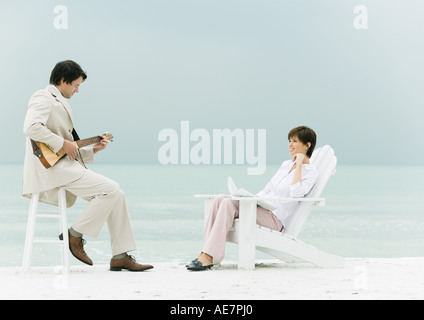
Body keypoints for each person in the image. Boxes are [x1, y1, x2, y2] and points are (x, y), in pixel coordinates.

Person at [22, 60, 153, 272]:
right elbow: (31, 127)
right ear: (62, 81)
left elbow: (64, 148)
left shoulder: (59, 101)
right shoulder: (43, 97)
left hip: (64, 166)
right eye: (75, 85)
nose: (77, 90)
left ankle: (120, 255)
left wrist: (92, 150)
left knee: (116, 194)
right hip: (50, 170)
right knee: (111, 189)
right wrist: (62, 142)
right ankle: (74, 235)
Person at [186, 126, 319, 271]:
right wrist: (253, 197)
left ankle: (209, 256)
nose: (290, 144)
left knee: (228, 203)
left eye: (294, 141)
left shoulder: (311, 172)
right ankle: (206, 253)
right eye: (289, 140)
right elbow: (268, 188)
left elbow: (296, 193)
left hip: (276, 218)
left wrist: (299, 164)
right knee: (219, 199)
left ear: (307, 145)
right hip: (264, 208)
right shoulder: (286, 165)